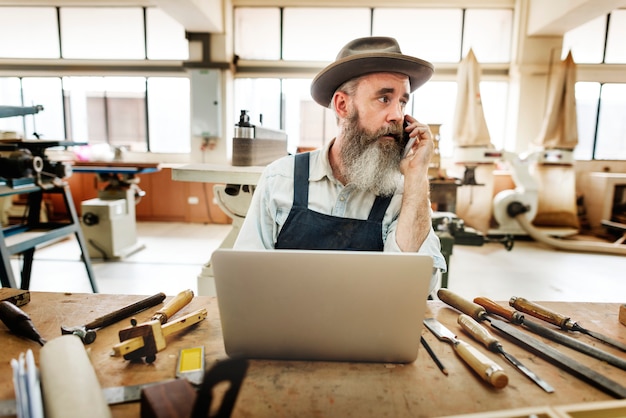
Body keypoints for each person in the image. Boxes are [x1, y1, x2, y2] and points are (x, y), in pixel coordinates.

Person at [234, 36, 447, 292]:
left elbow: (415, 289)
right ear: (342, 105)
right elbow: (246, 280)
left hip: (372, 330)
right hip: (287, 329)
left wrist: (417, 177)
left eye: (402, 102)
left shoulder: (404, 195)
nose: (397, 116)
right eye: (384, 99)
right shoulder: (279, 180)